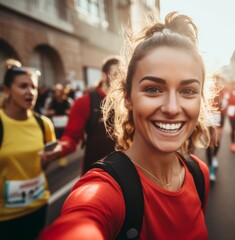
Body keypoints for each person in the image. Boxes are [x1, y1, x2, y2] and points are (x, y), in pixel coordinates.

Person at [40, 12, 211, 240]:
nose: (171, 108)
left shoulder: (199, 174)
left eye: (188, 91)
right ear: (128, 97)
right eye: (153, 89)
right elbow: (83, 218)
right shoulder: (106, 188)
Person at [0, 62, 56, 239]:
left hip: (39, 206)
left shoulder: (43, 123)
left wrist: (48, 159)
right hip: (5, 217)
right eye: (23, 86)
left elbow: (43, 166)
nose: (30, 92)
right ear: (7, 89)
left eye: (34, 87)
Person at [40, 56, 121, 175]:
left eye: (123, 75)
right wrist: (60, 148)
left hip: (123, 169)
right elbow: (71, 137)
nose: (120, 79)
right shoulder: (85, 102)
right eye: (116, 74)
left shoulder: (127, 101)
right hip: (95, 170)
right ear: (104, 75)